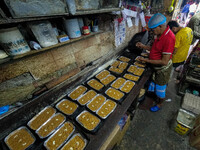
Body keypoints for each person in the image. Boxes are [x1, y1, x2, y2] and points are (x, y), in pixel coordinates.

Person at [136, 13, 175, 112]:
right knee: (154, 83)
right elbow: (155, 49)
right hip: (155, 65)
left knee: (160, 89)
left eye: (153, 30)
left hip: (162, 70)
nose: (152, 32)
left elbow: (164, 61)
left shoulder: (169, 38)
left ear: (161, 26)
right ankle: (155, 96)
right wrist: (143, 46)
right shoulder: (159, 34)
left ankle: (160, 103)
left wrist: (146, 60)